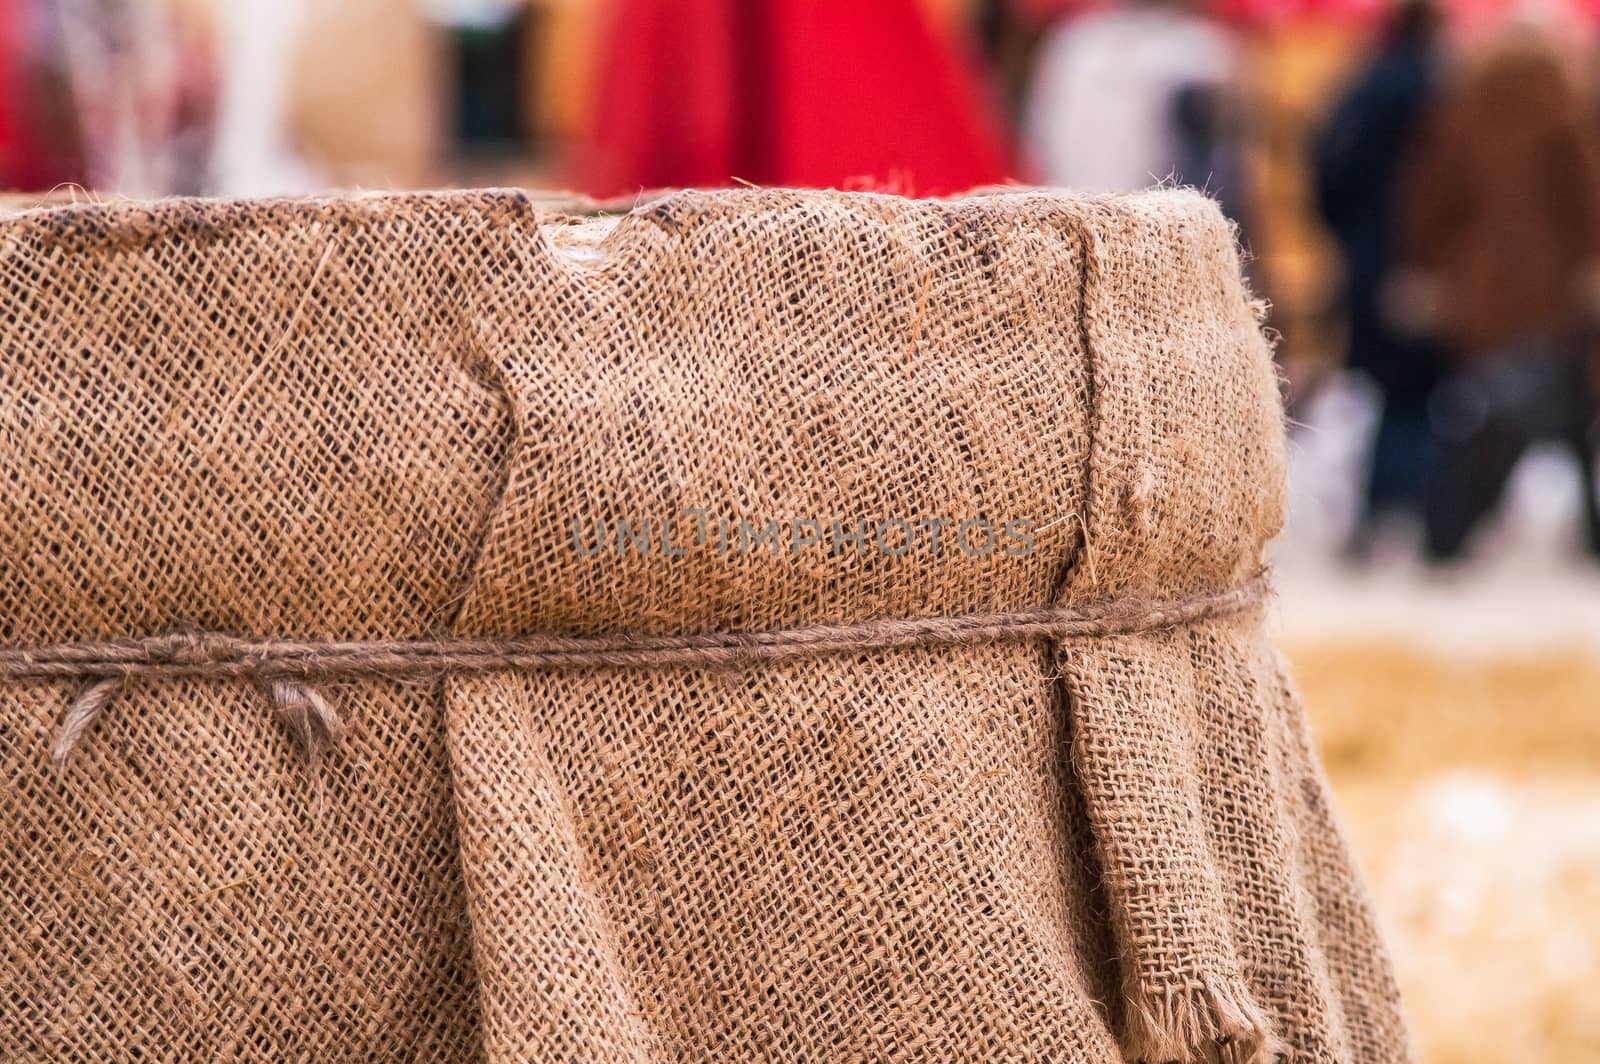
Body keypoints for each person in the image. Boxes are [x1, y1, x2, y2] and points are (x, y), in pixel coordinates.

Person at [1398, 26, 1600, 562]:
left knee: (1477, 416)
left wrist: (1428, 270)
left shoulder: (1461, 118)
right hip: (1551, 293)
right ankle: (1592, 535)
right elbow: (1585, 201)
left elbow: (1430, 205)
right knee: (1572, 417)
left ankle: (1449, 533)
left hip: (1479, 292)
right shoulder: (1562, 119)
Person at [1312, 0, 1443, 558]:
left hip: (1364, 259)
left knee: (1376, 390)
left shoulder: (1358, 87)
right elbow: (1440, 190)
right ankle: (1400, 512)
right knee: (1413, 394)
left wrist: (1346, 237)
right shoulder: (1431, 92)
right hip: (1412, 265)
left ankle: (1372, 513)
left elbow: (1324, 169)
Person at [1021, 0, 1247, 221]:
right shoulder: (1076, 44)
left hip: (1164, 225)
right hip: (1074, 216)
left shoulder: (1203, 52)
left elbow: (1219, 171)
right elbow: (1045, 141)